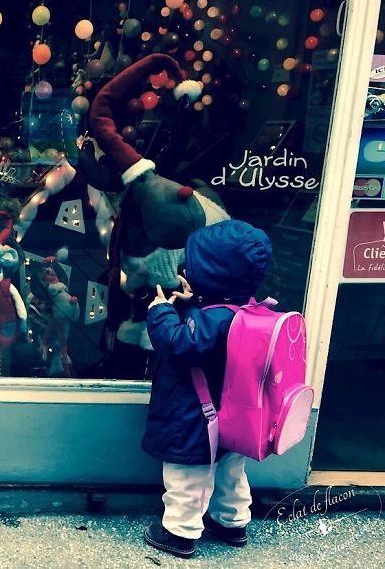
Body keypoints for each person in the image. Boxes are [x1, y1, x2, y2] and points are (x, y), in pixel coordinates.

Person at [141, 220, 273, 559]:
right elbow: (205, 333)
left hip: (196, 420)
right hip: (233, 416)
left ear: (213, 274)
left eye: (193, 265)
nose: (185, 269)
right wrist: (192, 303)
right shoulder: (244, 309)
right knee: (231, 472)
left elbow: (179, 343)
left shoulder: (212, 320)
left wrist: (160, 311)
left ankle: (179, 533)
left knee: (188, 476)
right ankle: (232, 523)